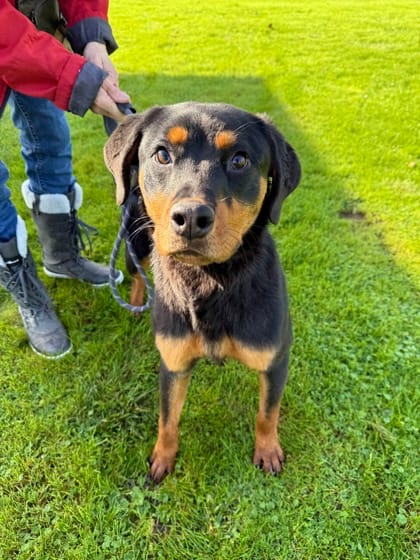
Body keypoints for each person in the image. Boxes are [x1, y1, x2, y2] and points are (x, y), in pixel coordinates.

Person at [0, 0, 130, 359]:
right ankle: (24, 286)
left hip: (35, 37)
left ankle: (60, 258)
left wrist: (92, 39)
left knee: (51, 138)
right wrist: (75, 78)